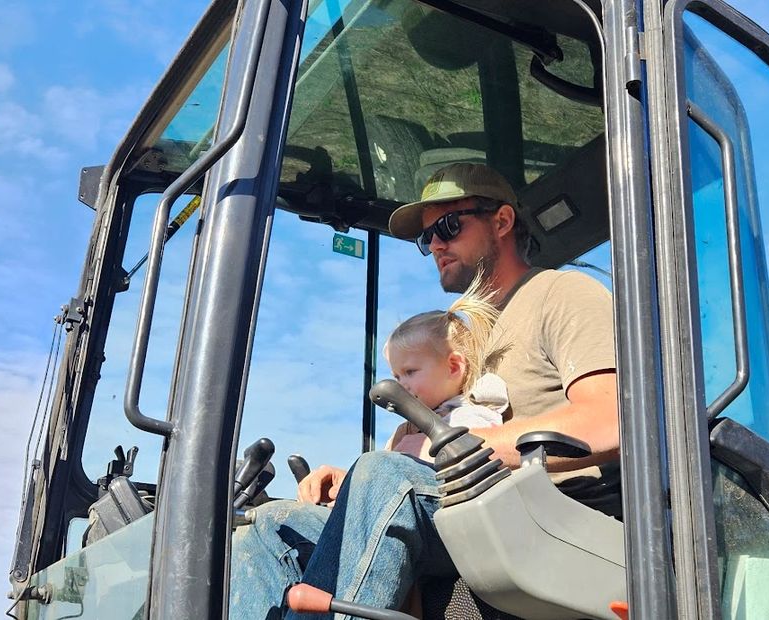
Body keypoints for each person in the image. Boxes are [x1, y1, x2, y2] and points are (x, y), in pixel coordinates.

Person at [229, 162, 619, 618]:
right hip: (462, 509)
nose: (435, 243)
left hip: (549, 514)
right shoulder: (464, 335)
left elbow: (610, 421)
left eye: (449, 225)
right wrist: (354, 483)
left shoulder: (561, 294)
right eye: (426, 236)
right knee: (271, 523)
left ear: (502, 221)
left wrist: (454, 450)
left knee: (384, 477)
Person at [381, 277, 506, 461]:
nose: (401, 386)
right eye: (398, 377)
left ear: (454, 367)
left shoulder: (471, 417)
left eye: (410, 372)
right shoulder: (408, 429)